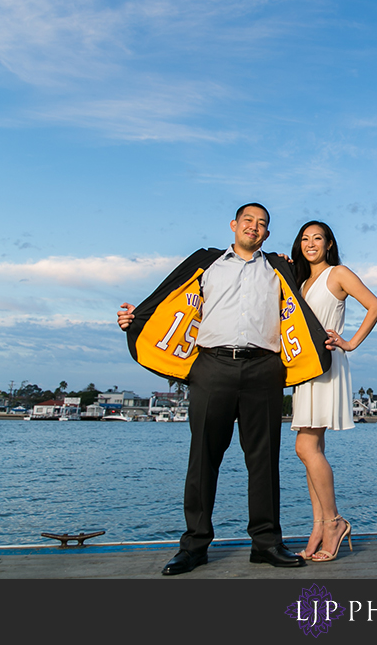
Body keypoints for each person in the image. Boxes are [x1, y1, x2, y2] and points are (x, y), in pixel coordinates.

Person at [117, 203, 330, 575]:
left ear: (267, 234)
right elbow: (168, 297)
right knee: (203, 458)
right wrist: (136, 319)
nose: (255, 227)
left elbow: (318, 288)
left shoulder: (280, 268)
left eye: (262, 224)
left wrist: (332, 338)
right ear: (234, 225)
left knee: (263, 461)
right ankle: (194, 546)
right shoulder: (206, 262)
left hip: (265, 368)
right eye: (248, 220)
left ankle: (266, 543)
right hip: (211, 365)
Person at [290, 220, 377, 562]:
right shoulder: (301, 281)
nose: (310, 244)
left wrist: (350, 343)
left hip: (327, 364)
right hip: (304, 368)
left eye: (317, 238)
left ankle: (334, 522)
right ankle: (318, 526)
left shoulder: (338, 273)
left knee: (304, 446)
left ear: (329, 244)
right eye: (305, 239)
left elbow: (375, 306)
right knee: (312, 447)